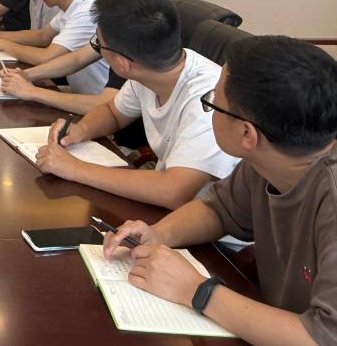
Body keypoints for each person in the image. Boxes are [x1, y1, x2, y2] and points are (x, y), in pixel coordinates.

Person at [103, 37, 337, 345]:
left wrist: (197, 291)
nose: (210, 110)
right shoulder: (269, 160)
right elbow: (219, 209)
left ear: (247, 133)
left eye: (213, 102)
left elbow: (322, 338)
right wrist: (158, 234)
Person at [34, 0, 238, 209]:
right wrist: (80, 130)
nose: (98, 49)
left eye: (98, 44)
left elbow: (173, 191)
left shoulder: (208, 99)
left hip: (210, 221)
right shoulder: (150, 70)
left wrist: (74, 168)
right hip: (168, 206)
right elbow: (113, 113)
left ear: (122, 64)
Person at [0, 0, 160, 115]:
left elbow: (107, 106)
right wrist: (27, 75)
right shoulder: (123, 23)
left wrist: (32, 92)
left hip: (112, 121)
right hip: (94, 106)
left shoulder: (137, 40)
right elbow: (78, 58)